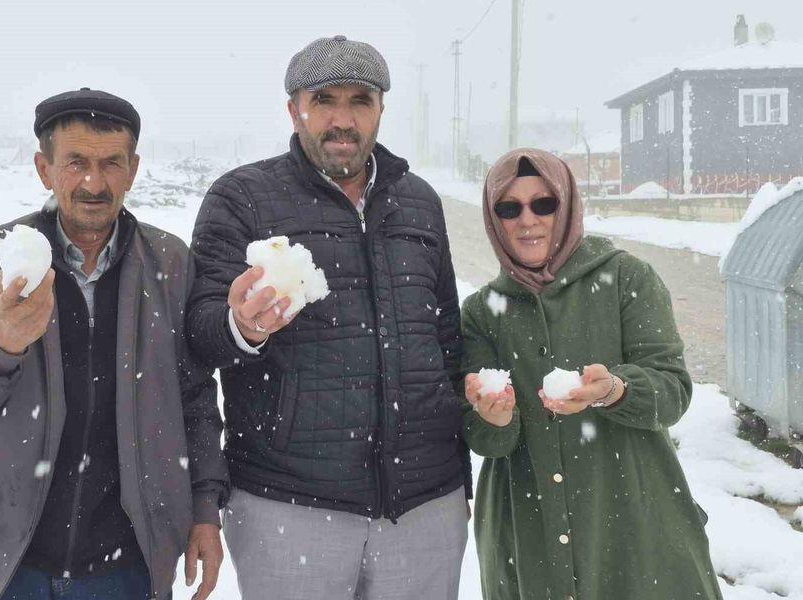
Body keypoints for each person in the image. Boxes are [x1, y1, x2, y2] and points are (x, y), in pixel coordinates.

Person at [186, 35, 470, 600]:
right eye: (324, 100)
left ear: (381, 110)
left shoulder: (419, 201)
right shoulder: (242, 197)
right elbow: (199, 332)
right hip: (287, 503)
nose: (343, 120)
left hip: (423, 503)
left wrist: (456, 472)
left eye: (360, 100)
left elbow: (445, 338)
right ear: (295, 109)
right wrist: (241, 327)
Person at [0, 88, 228, 600]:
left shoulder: (170, 265)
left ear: (132, 169)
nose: (94, 182)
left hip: (128, 566)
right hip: (6, 568)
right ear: (45, 169)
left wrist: (203, 511)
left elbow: (195, 398)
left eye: (111, 163)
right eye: (76, 163)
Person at [460, 148, 724, 600]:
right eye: (509, 207)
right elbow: (486, 441)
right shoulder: (482, 313)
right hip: (527, 532)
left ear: (567, 205)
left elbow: (672, 390)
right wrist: (495, 418)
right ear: (494, 219)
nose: (528, 220)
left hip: (634, 521)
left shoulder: (626, 278)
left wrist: (615, 390)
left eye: (544, 203)